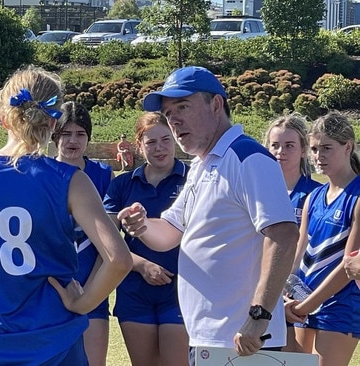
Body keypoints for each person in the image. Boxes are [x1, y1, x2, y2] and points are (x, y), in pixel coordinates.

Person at [0, 66, 132, 365]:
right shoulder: (69, 180)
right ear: (53, 119)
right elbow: (119, 260)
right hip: (55, 342)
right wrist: (82, 302)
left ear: (4, 116)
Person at [118, 66, 299, 363]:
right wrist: (141, 226)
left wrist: (259, 316)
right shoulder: (203, 164)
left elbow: (283, 235)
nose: (173, 120)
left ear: (216, 104)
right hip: (211, 338)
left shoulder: (247, 157)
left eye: (183, 107)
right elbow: (169, 233)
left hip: (245, 340)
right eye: (168, 113)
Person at [104, 112, 189, 366]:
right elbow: (106, 241)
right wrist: (141, 265)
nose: (160, 148)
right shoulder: (122, 185)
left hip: (181, 289)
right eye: (151, 142)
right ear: (139, 146)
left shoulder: (193, 179)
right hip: (135, 291)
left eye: (166, 139)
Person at [285, 111, 360, 366]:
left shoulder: (357, 197)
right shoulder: (313, 198)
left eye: (327, 148)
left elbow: (349, 267)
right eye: (315, 149)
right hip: (303, 299)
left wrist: (308, 304)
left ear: (347, 146)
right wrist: (288, 293)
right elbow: (298, 256)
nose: (319, 156)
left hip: (339, 305)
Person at [52, 101, 114, 366]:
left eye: (80, 134)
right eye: (66, 134)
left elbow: (109, 245)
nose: (73, 141)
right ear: (54, 136)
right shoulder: (40, 172)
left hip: (93, 284)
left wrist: (92, 290)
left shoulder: (102, 174)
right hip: (51, 288)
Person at [263, 114, 322, 354]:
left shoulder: (316, 193)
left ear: (303, 151)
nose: (280, 152)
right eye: (275, 145)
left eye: (289, 146)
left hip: (302, 293)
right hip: (262, 292)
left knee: (296, 358)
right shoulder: (257, 192)